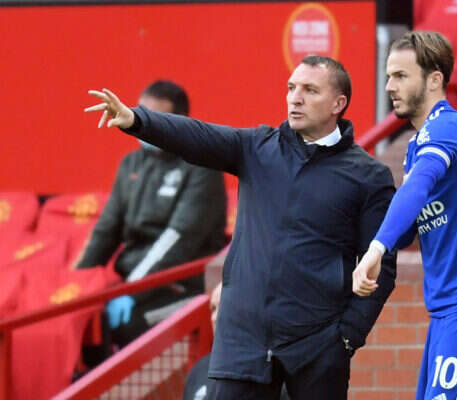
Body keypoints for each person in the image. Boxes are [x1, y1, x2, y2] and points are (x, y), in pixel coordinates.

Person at [84, 55, 397, 399]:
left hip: (317, 350)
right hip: (242, 343)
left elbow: (382, 265)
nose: (295, 98)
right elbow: (197, 135)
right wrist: (137, 119)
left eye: (310, 90)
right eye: (291, 88)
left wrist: (348, 336)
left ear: (339, 104)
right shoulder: (256, 148)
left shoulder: (369, 176)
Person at [352, 31, 457, 400]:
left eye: (400, 76)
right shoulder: (418, 143)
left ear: (434, 79)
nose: (389, 86)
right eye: (388, 76)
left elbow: (418, 187)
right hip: (448, 308)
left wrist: (376, 249)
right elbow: (409, 226)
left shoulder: (448, 126)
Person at [77, 80, 227, 348]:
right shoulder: (131, 164)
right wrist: (77, 284)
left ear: (179, 121)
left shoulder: (203, 167)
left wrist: (132, 291)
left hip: (183, 285)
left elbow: (178, 239)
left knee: (125, 323)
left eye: (154, 118)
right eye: (140, 114)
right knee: (83, 319)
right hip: (133, 282)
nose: (143, 124)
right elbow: (106, 230)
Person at [183, 282, 291, 400]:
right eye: (213, 308)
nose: (215, 317)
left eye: (225, 306)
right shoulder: (199, 370)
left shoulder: (273, 372)